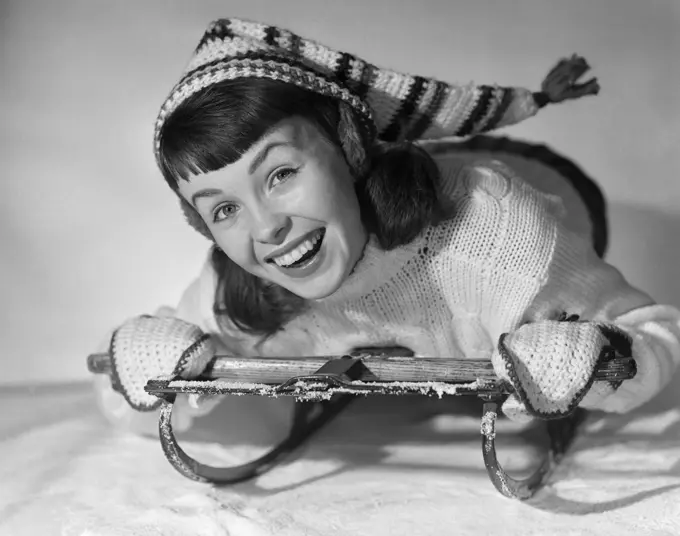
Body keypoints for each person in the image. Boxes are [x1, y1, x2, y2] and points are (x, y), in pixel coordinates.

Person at [94, 17, 679, 436]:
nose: (266, 228)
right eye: (223, 209)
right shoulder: (241, 283)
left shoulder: (491, 236)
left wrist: (596, 357)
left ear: (347, 147)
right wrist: (150, 366)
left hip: (537, 186)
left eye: (280, 174)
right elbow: (120, 392)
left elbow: (657, 334)